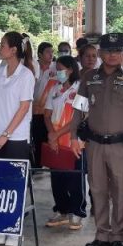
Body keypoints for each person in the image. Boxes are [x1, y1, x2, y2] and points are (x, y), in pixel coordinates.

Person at [70, 32, 123, 246]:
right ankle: (102, 234)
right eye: (108, 50)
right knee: (97, 190)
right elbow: (79, 109)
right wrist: (73, 137)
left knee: (120, 190)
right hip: (94, 144)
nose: (113, 55)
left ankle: (118, 237)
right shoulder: (89, 77)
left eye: (117, 50)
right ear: (101, 53)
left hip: (120, 146)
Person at [0, 31, 36, 246]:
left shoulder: (26, 75)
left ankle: (13, 229)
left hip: (15, 138)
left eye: (3, 45)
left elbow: (23, 108)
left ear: (13, 50)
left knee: (14, 184)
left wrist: (6, 134)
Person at [44, 55, 86, 231]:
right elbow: (47, 114)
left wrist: (56, 134)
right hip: (56, 142)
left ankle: (77, 212)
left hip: (73, 142)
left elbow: (80, 117)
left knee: (74, 178)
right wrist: (52, 135)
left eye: (60, 69)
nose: (58, 73)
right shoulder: (55, 89)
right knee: (57, 179)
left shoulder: (81, 88)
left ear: (70, 70)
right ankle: (62, 210)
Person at [31, 41, 58, 167]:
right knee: (37, 139)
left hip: (49, 111)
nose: (51, 55)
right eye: (48, 52)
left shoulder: (56, 68)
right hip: (33, 110)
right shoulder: (33, 67)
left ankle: (51, 164)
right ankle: (37, 166)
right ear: (40, 54)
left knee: (49, 138)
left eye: (52, 52)